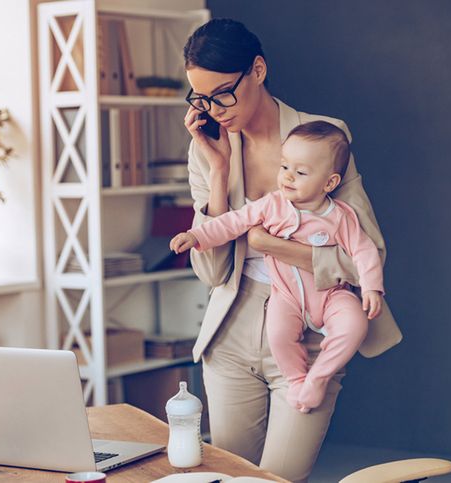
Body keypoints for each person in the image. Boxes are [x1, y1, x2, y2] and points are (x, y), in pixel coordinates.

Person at [181, 18, 403, 482]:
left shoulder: (323, 136)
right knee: (229, 476)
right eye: (200, 98)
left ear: (257, 70)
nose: (214, 110)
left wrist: (272, 246)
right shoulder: (207, 148)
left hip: (310, 331)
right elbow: (212, 273)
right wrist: (217, 172)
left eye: (223, 93)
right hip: (232, 332)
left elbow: (366, 256)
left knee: (279, 479)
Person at [171, 121, 384, 413]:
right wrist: (196, 236)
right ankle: (297, 380)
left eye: (301, 172)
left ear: (330, 183)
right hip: (286, 297)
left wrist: (372, 288)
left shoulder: (340, 216)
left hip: (332, 294)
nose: (287, 177)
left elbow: (364, 250)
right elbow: (233, 222)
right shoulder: (271, 205)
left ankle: (318, 377)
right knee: (278, 333)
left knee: (355, 324)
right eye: (284, 167)